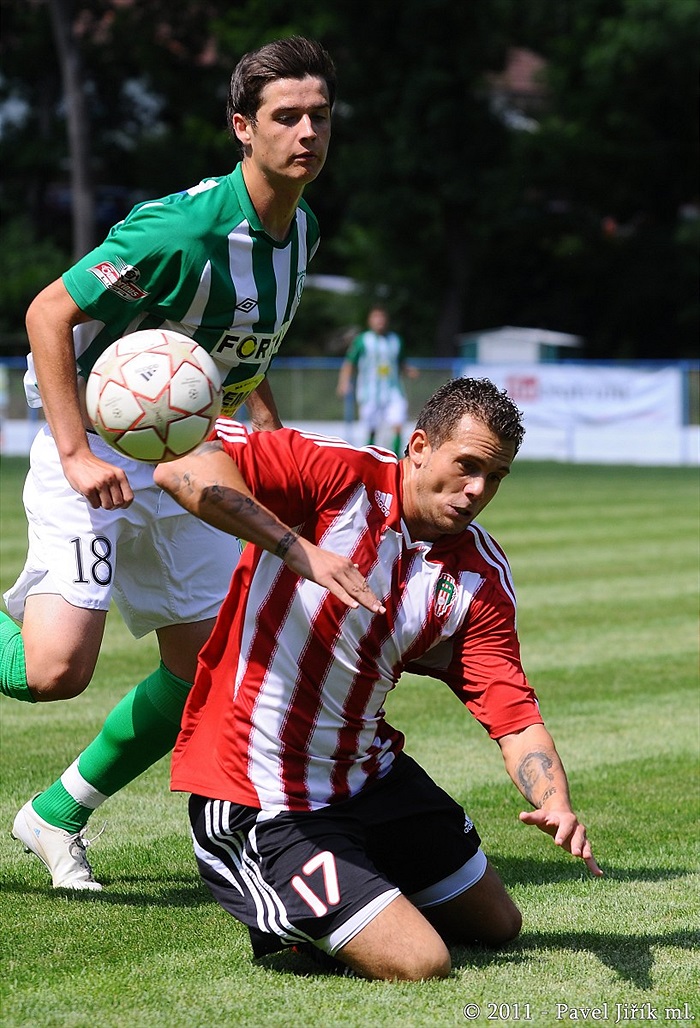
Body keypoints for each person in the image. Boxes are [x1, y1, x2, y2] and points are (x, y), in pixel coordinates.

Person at [4, 37, 380, 892]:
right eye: (287, 117)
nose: (308, 132)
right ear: (243, 128)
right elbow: (47, 313)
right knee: (56, 671)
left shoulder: (301, 228)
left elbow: (243, 358)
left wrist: (274, 448)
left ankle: (54, 816)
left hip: (188, 457)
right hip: (96, 448)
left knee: (210, 662)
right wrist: (72, 451)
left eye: (320, 116)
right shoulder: (181, 228)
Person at [153, 376, 602, 982]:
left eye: (493, 478)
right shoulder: (338, 475)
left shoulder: (479, 575)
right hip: (260, 789)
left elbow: (513, 713)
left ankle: (359, 888)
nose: (476, 491)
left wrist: (556, 802)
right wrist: (298, 549)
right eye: (466, 466)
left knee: (498, 924)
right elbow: (182, 467)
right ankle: (293, 920)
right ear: (419, 446)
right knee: (422, 962)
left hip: (369, 779)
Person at [336, 305, 418, 454]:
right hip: (370, 393)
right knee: (371, 429)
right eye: (376, 317)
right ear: (370, 320)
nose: (379, 321)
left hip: (393, 391)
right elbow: (349, 363)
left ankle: (397, 458)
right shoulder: (362, 340)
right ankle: (370, 458)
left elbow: (400, 362)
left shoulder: (395, 340)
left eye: (382, 317)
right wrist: (344, 382)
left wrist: (408, 370)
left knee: (398, 424)